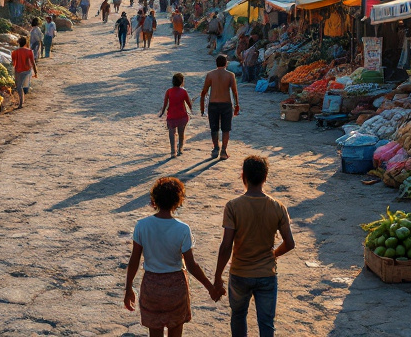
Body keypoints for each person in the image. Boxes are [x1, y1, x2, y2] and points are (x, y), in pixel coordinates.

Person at [212, 155, 295, 337]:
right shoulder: (277, 207)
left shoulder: (233, 206)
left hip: (240, 273)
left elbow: (226, 246)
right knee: (266, 323)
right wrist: (274, 254)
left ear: (244, 176)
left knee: (238, 316)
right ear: (265, 177)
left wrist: (218, 277)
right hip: (266, 274)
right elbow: (289, 243)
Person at [124, 177, 216, 336]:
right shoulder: (183, 229)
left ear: (154, 200)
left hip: (151, 286)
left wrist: (128, 289)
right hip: (176, 288)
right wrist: (210, 288)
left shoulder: (142, 226)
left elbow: (134, 260)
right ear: (177, 201)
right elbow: (192, 265)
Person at [200, 55, 240, 160]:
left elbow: (204, 92)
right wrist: (237, 105)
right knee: (226, 129)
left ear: (216, 63)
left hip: (213, 104)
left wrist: (202, 107)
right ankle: (223, 151)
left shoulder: (210, 75)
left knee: (214, 129)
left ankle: (216, 148)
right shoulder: (230, 75)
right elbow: (234, 92)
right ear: (226, 63)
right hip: (226, 104)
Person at [159, 73, 193, 158]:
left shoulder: (169, 91)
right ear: (181, 82)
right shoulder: (184, 92)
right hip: (182, 115)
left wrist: (162, 112)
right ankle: (180, 149)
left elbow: (165, 104)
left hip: (171, 115)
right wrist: (191, 108)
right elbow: (189, 104)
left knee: (172, 133)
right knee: (181, 133)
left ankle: (173, 151)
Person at [10, 36, 37, 109]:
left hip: (18, 70)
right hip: (26, 70)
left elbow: (13, 63)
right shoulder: (29, 51)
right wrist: (35, 72)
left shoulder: (15, 52)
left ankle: (21, 103)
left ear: (19, 43)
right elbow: (33, 63)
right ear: (25, 43)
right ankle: (21, 101)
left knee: (19, 86)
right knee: (20, 86)